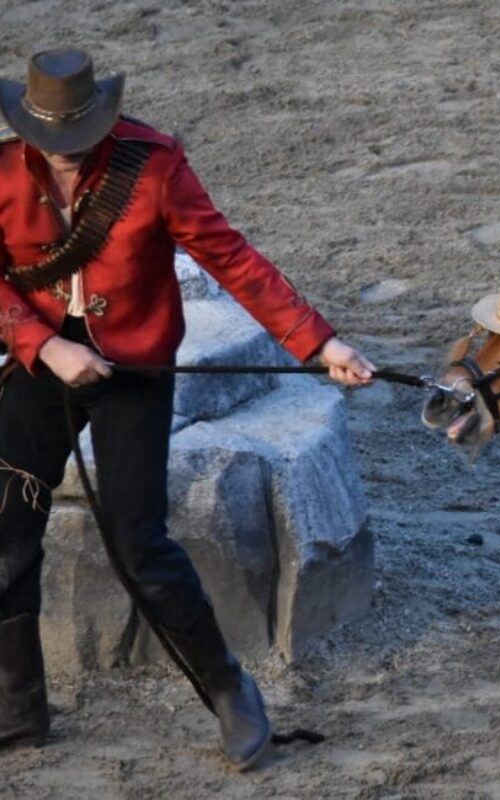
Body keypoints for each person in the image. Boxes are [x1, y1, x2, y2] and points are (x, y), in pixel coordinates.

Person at [0, 48, 376, 770]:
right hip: (43, 358)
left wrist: (318, 341)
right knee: (5, 520)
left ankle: (232, 692)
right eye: (53, 147)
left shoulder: (155, 165)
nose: (66, 160)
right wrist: (47, 348)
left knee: (140, 541)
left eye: (78, 145)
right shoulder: (3, 170)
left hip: (137, 363)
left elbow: (233, 260)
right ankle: (17, 710)